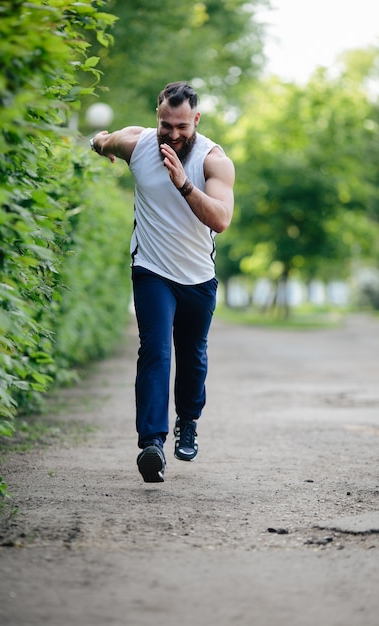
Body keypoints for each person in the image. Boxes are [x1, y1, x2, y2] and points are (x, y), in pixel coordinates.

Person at [90, 81, 234, 483]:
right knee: (155, 350)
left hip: (197, 278)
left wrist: (183, 184)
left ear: (196, 120)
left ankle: (187, 421)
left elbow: (221, 220)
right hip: (151, 270)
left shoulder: (213, 160)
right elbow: (105, 141)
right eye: (166, 125)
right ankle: (151, 443)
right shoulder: (137, 145)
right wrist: (96, 141)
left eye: (182, 126)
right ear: (157, 116)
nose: (173, 134)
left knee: (192, 356)